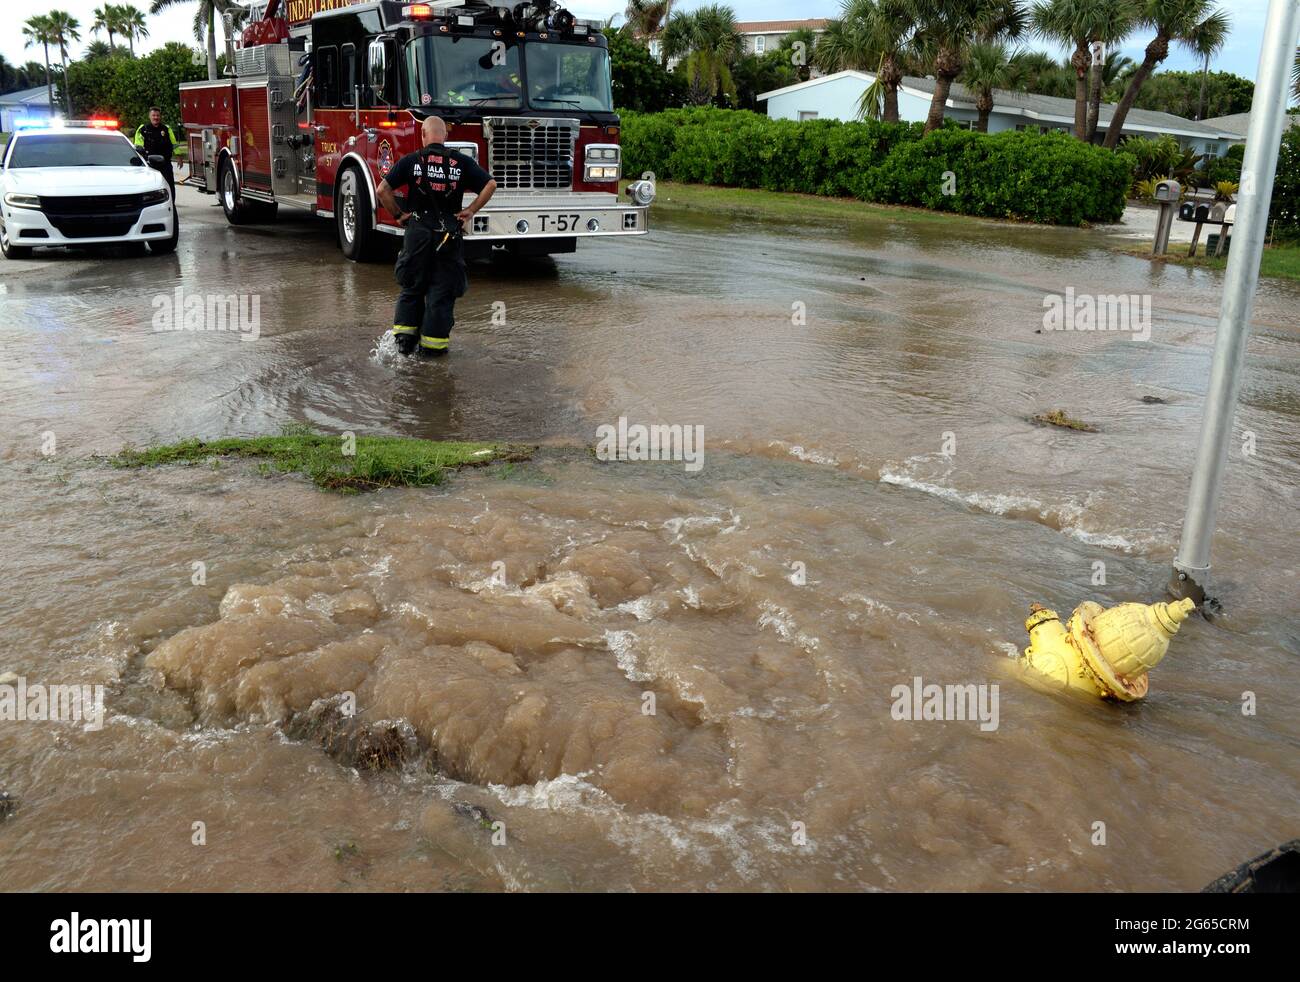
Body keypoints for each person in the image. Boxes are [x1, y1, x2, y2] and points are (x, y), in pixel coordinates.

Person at [377, 116, 496, 357]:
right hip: (448, 237)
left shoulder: (412, 161)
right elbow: (490, 184)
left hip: (417, 233)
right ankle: (433, 353)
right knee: (441, 292)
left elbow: (382, 190)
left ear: (423, 134)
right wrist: (471, 210)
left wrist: (399, 215)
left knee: (411, 288)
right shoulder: (460, 162)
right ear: (445, 136)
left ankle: (403, 347)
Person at [133, 107, 181, 208]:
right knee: (150, 186)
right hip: (149, 164)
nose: (156, 117)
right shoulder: (143, 129)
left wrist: (179, 156)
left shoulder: (166, 129)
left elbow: (174, 144)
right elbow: (138, 145)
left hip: (165, 164)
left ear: (160, 116)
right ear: (149, 116)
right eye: (153, 115)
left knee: (169, 185)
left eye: (158, 115)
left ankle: (171, 206)